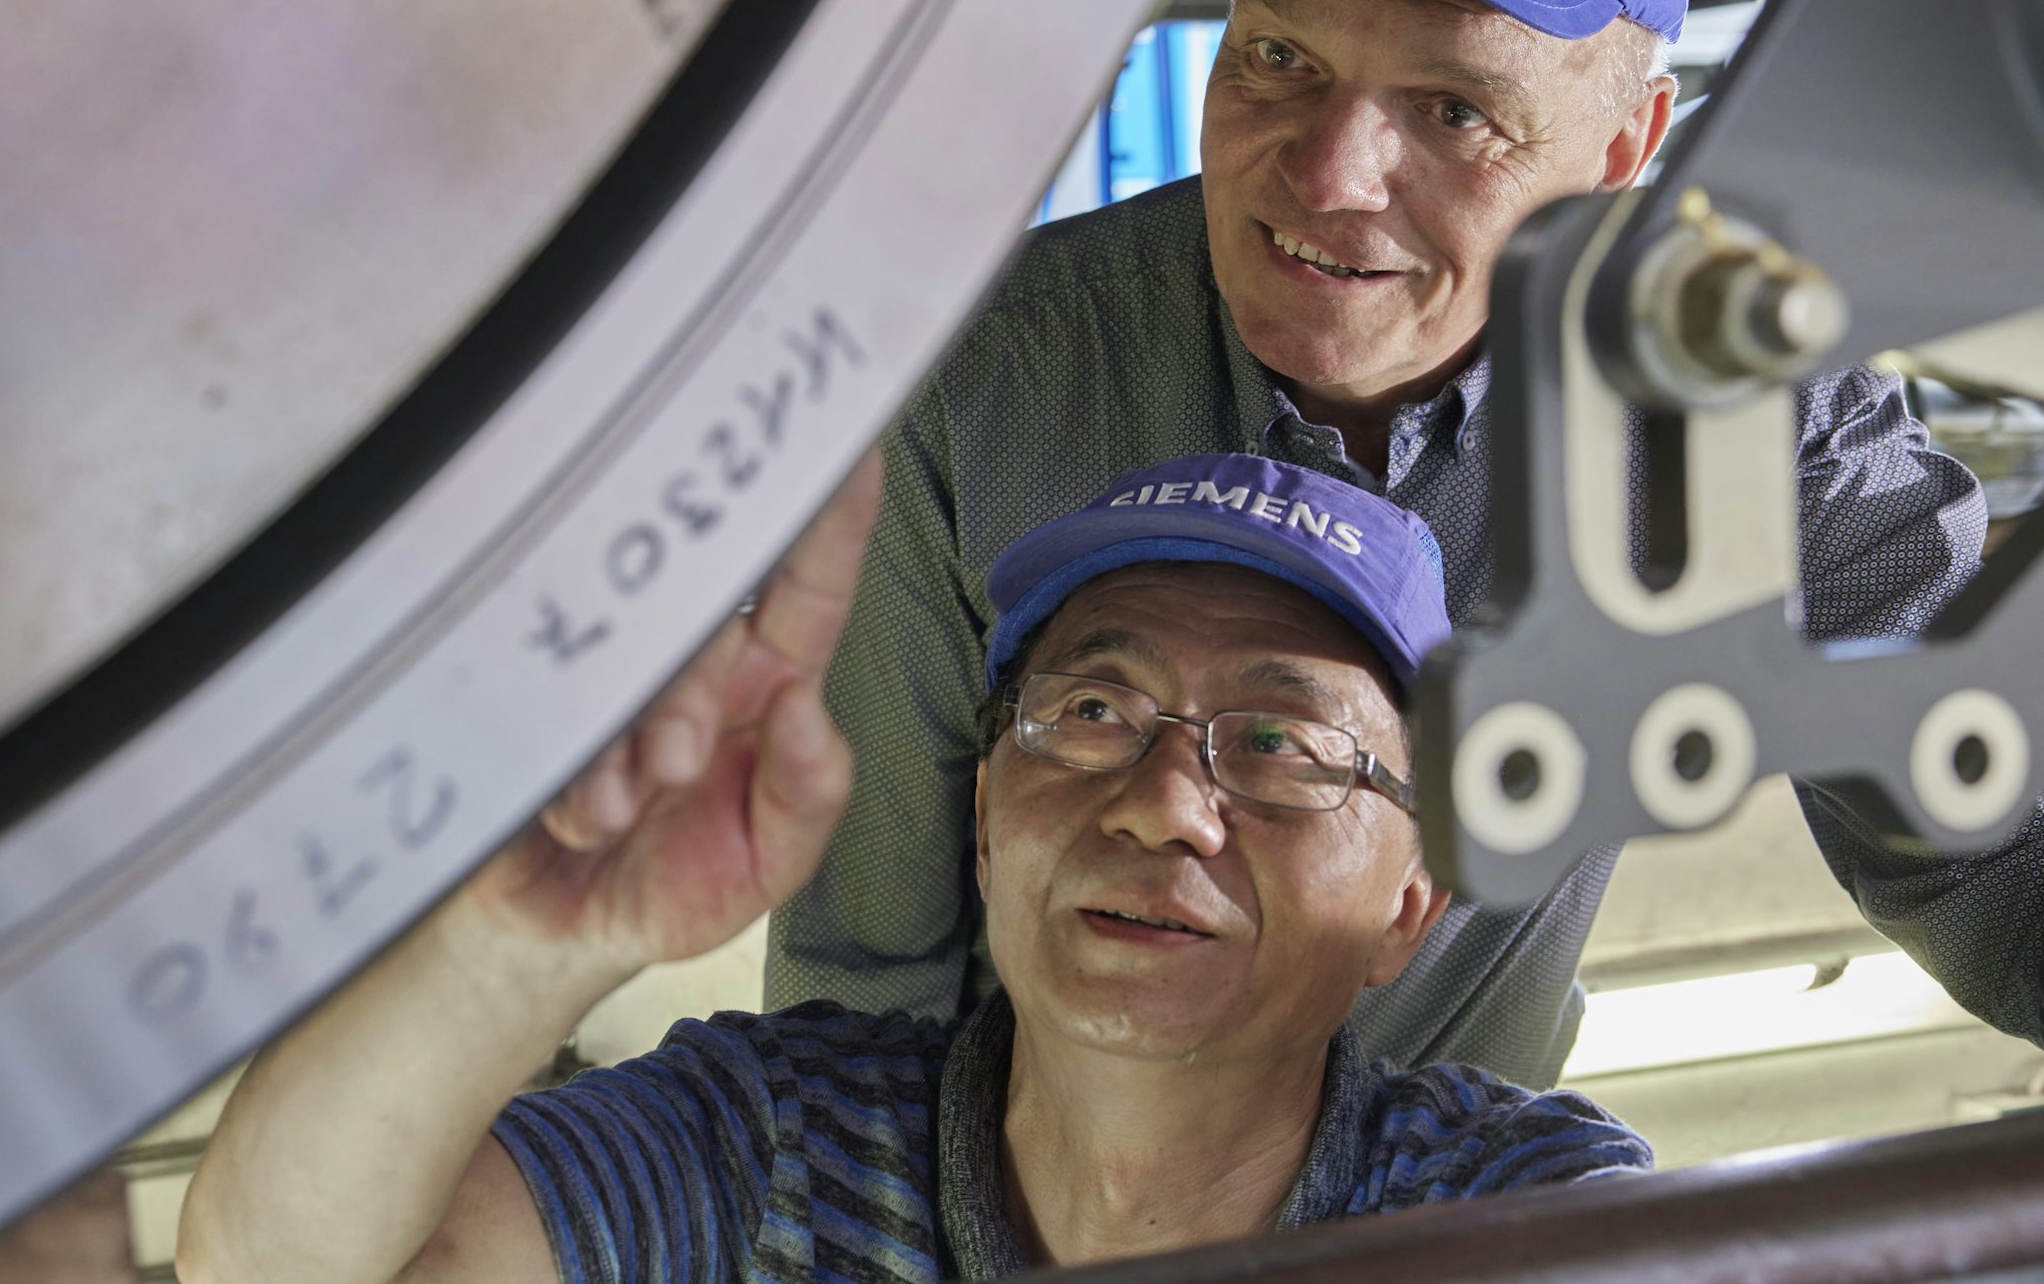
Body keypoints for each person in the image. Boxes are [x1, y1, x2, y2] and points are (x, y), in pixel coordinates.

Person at [767, 0, 2011, 1086]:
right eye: (1278, 58)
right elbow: (863, 987)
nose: (1325, 177)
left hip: (1461, 1219)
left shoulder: (1740, 412)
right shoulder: (981, 385)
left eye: (1454, 109)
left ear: (1625, 147)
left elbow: (1989, 842)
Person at [174, 454, 1650, 1284]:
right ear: (988, 814)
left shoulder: (1517, 1214)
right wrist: (532, 934)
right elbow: (278, 1270)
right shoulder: (774, 1147)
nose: (1165, 807)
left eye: (1276, 745)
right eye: (1092, 713)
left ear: (1410, 906)